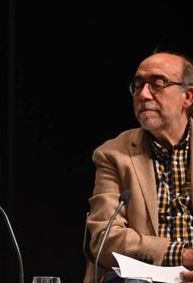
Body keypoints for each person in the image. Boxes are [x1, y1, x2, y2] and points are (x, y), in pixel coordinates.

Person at [84, 50, 193, 283]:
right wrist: (179, 254)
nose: (143, 94)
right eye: (138, 85)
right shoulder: (113, 154)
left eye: (157, 84)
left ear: (188, 97)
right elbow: (105, 238)